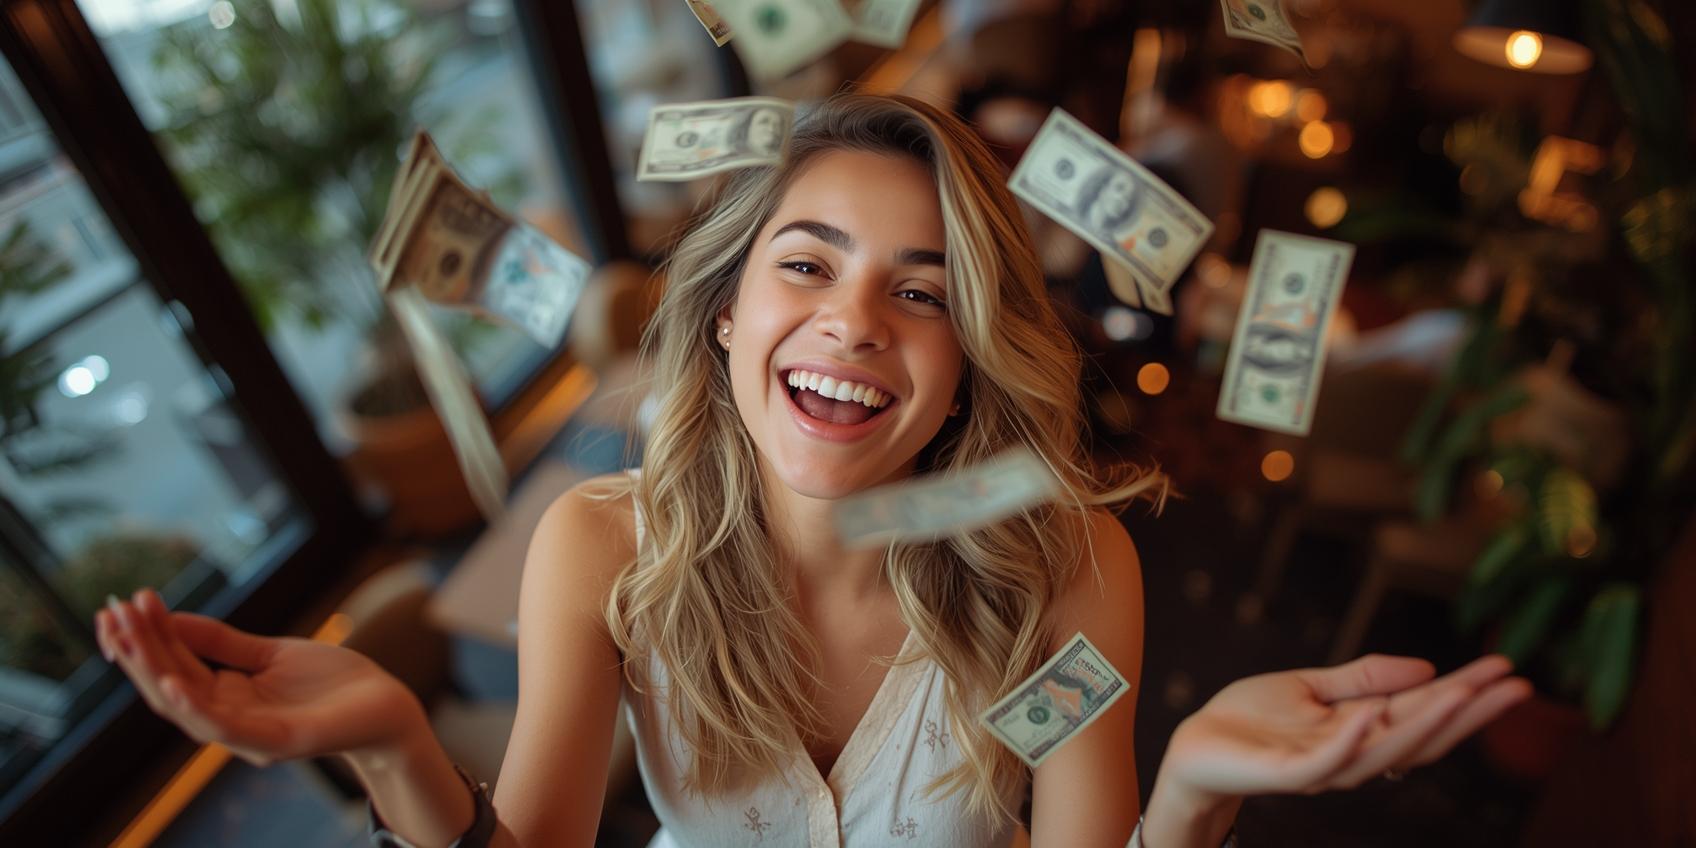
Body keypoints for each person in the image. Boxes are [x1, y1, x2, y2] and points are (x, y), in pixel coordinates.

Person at [95, 95, 1530, 847]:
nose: (854, 321)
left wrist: (1196, 793)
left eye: (922, 291)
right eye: (807, 265)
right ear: (727, 320)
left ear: (968, 354)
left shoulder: (1066, 574)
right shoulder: (603, 554)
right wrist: (400, 747)